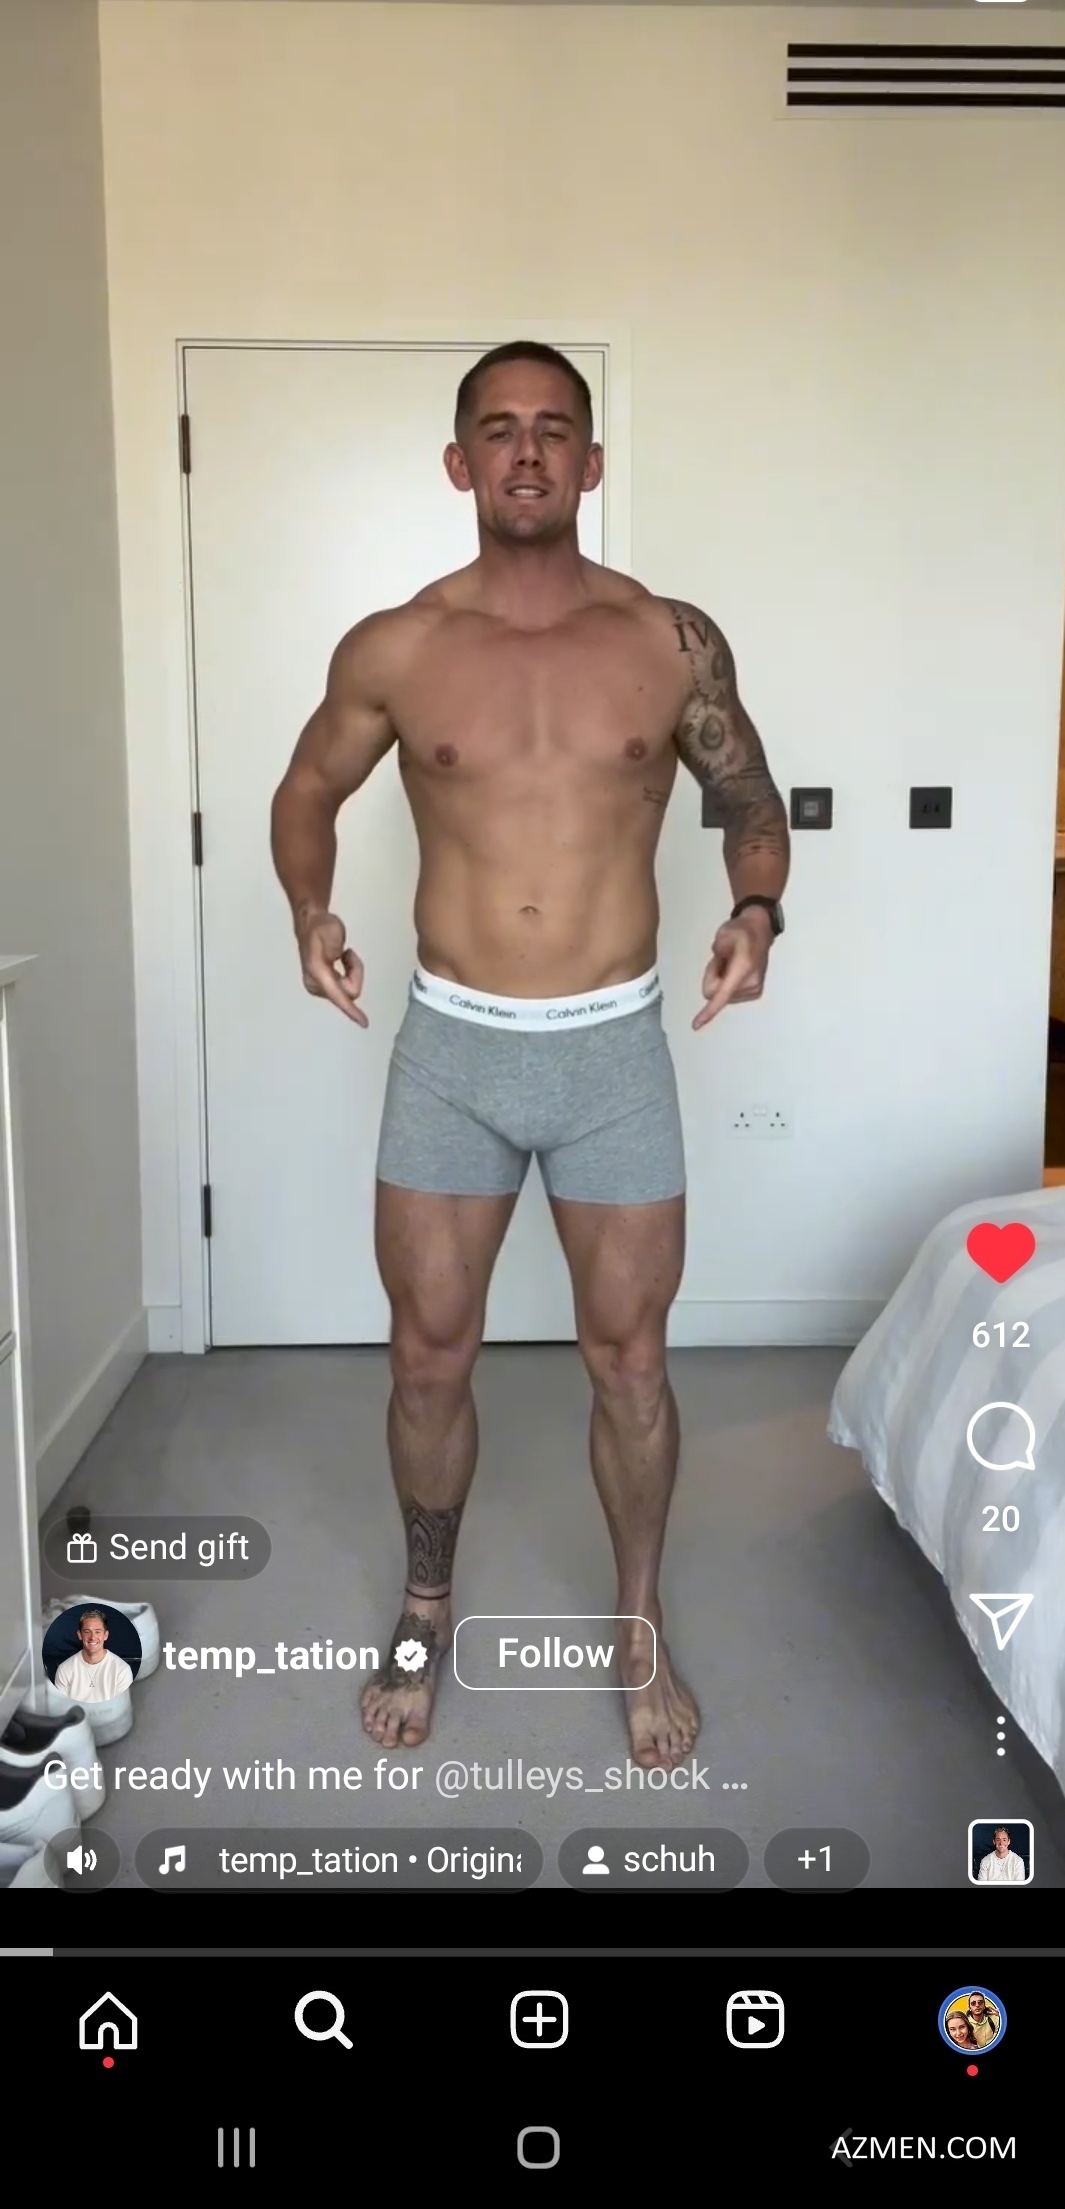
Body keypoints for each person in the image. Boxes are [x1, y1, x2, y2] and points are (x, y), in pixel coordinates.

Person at [271, 340, 789, 1770]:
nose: (526, 451)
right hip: (454, 1049)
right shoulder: (398, 648)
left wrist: (756, 912)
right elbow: (306, 788)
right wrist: (310, 911)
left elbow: (748, 794)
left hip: (613, 1054)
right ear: (459, 462)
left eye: (554, 428)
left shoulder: (670, 641)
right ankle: (425, 1603)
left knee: (632, 1365)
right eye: (498, 429)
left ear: (591, 462)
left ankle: (638, 1620)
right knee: (427, 1358)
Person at [53, 1609, 134, 1703]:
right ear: (80, 1635)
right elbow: (61, 1706)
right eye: (87, 1632)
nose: (92, 1637)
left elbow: (121, 1707)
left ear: (105, 1635)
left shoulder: (122, 1670)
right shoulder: (64, 1669)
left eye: (97, 1632)